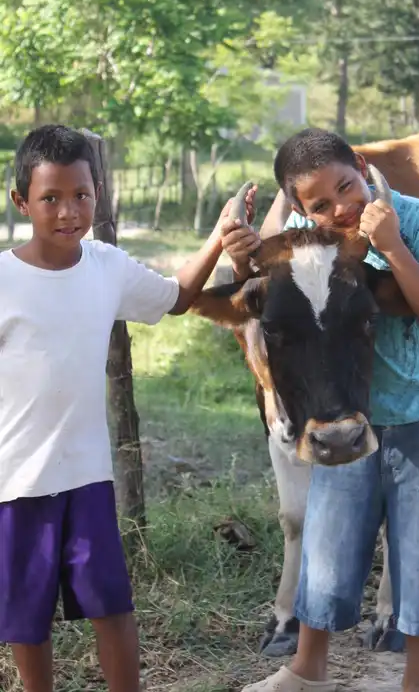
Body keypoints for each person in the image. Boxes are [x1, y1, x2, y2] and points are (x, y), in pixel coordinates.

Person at [0, 124, 253, 692]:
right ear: (21, 201)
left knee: (112, 605)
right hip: (15, 481)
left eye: (82, 196)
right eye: (50, 198)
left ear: (99, 194)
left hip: (87, 475)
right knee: (27, 617)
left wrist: (217, 236)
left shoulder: (106, 266)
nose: (69, 211)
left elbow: (176, 297)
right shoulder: (2, 281)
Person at [220, 127, 419, 692]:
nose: (341, 208)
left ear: (362, 167)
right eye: (320, 205)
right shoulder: (309, 242)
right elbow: (277, 308)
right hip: (343, 415)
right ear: (302, 209)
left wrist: (394, 247)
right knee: (326, 548)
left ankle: (417, 681)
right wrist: (244, 266)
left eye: (347, 187)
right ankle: (307, 668)